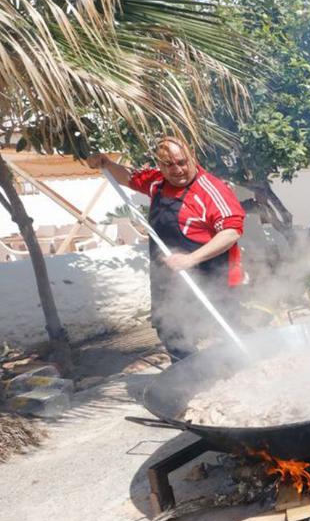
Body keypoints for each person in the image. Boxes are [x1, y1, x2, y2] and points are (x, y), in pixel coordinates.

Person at [88, 138, 245, 359]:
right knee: (171, 329)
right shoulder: (158, 183)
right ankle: (190, 378)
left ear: (192, 157)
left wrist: (191, 259)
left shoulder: (210, 189)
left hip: (212, 276)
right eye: (168, 164)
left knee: (226, 327)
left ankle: (247, 369)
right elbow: (129, 178)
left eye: (182, 162)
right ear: (159, 165)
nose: (177, 170)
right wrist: (106, 163)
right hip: (170, 279)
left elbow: (231, 232)